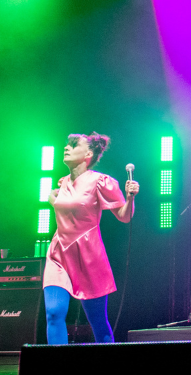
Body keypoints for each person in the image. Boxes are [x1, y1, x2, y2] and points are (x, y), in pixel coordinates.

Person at [43, 132, 138, 344]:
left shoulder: (100, 181)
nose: (66, 148)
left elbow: (124, 216)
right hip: (59, 254)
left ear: (88, 153)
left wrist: (130, 198)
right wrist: (52, 200)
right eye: (67, 144)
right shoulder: (62, 183)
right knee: (54, 313)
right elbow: (63, 205)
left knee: (97, 320)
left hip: (88, 256)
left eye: (74, 145)